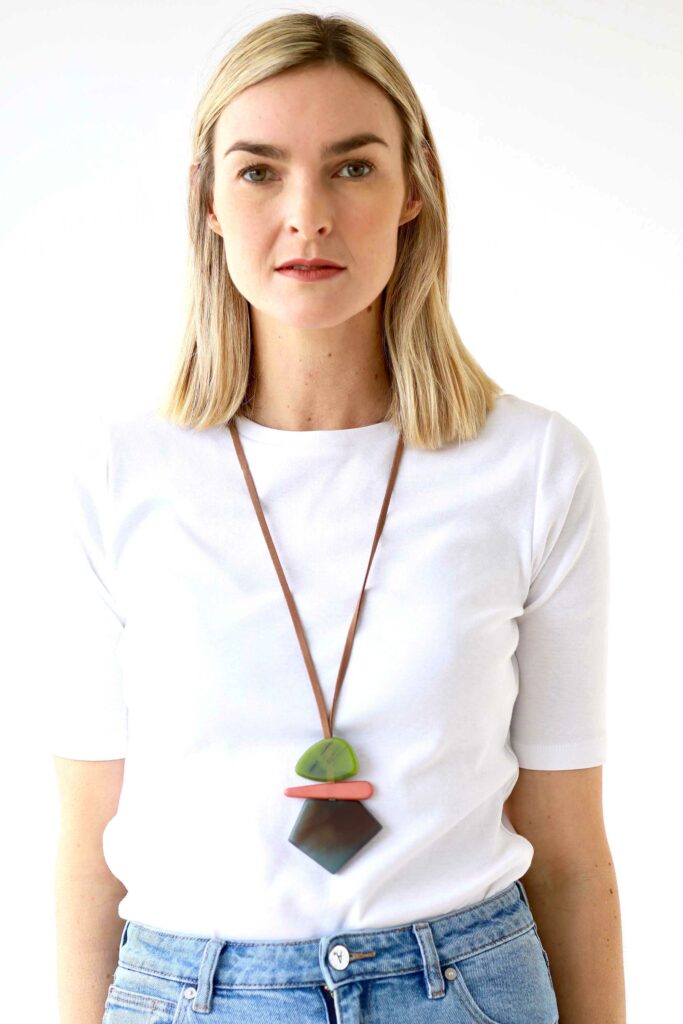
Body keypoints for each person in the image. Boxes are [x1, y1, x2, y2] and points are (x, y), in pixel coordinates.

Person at [50, 11, 626, 1024]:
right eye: (259, 171)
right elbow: (86, 848)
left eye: (352, 168)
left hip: (463, 988)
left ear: (413, 192)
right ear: (209, 202)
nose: (306, 214)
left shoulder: (533, 466)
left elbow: (570, 849)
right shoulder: (115, 473)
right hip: (189, 991)